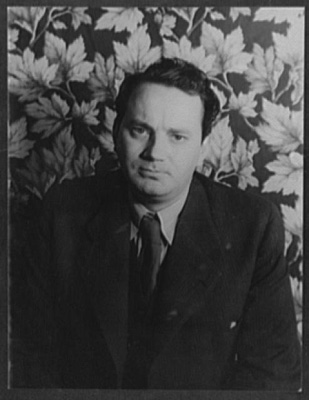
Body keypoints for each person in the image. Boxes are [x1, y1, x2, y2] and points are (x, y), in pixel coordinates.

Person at [10, 58, 301, 390]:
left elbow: (273, 377)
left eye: (177, 137)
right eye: (139, 130)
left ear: (202, 147)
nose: (154, 152)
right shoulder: (61, 214)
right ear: (117, 132)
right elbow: (33, 364)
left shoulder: (253, 226)